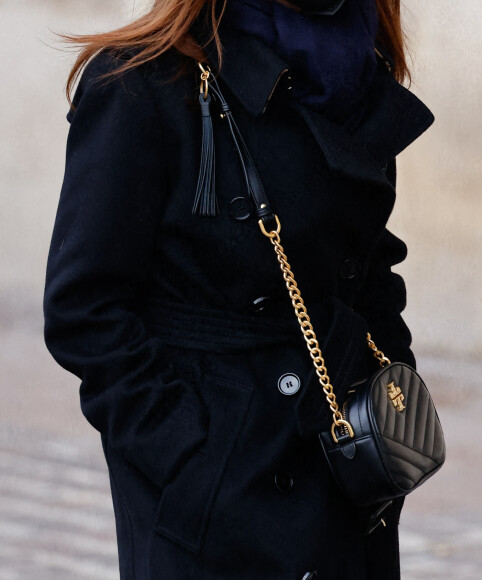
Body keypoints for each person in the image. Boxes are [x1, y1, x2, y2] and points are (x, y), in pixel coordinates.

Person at [43, 0, 434, 578]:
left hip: (343, 474)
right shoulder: (141, 81)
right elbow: (84, 308)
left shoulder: (359, 79)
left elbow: (370, 267)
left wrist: (391, 392)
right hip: (209, 502)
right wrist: (184, 454)